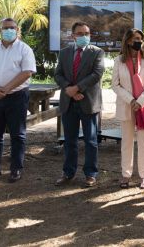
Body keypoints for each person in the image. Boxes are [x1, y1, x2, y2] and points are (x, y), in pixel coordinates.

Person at [0, 18, 36, 183]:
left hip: (17, 96)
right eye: (5, 28)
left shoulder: (24, 49)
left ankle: (16, 169)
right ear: (0, 30)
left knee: (17, 135)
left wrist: (7, 88)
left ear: (17, 30)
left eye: (12, 28)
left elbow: (27, 72)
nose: (8, 30)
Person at [53, 21, 105, 188]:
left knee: (90, 140)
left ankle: (90, 174)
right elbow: (58, 74)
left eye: (87, 33)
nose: (84, 36)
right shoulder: (64, 53)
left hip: (88, 101)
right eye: (81, 33)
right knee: (70, 141)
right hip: (69, 102)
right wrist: (69, 89)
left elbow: (97, 74)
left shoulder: (97, 52)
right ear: (73, 35)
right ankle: (68, 173)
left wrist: (77, 88)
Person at [112, 28, 144, 189]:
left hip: (143, 106)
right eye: (136, 38)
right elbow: (115, 85)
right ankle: (126, 174)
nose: (139, 41)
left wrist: (141, 101)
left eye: (141, 39)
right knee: (127, 142)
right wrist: (131, 100)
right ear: (128, 41)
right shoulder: (119, 60)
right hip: (127, 105)